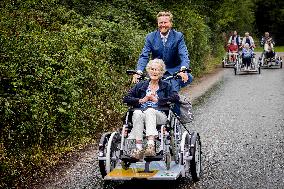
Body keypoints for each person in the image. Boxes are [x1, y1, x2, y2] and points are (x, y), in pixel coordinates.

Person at [123, 59, 180, 159]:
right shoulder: (140, 85)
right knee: (137, 112)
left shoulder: (167, 86)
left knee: (150, 111)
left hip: (160, 115)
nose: (154, 72)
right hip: (142, 114)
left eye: (157, 70)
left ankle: (150, 146)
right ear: (148, 71)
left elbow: (175, 97)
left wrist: (158, 100)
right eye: (152, 69)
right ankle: (139, 148)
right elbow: (126, 98)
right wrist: (141, 100)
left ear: (161, 72)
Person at [132, 11, 193, 92]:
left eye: (165, 22)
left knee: (172, 92)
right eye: (161, 22)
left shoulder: (178, 36)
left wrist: (183, 69)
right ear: (157, 23)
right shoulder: (150, 37)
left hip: (174, 71)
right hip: (156, 71)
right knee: (143, 90)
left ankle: (176, 103)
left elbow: (183, 54)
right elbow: (144, 56)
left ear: (171, 24)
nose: (163, 25)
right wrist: (139, 71)